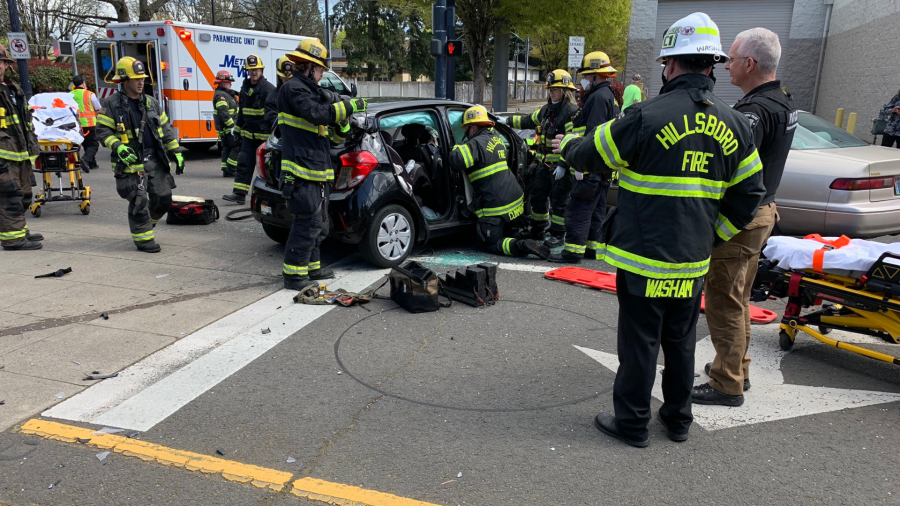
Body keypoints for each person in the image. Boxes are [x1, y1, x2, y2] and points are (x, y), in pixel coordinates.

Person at [556, 12, 765, 447]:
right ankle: (678, 420)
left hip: (644, 259)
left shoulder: (646, 116)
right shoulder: (734, 123)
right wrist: (714, 234)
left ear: (671, 65)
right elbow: (751, 193)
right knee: (681, 341)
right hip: (692, 260)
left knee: (639, 344)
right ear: (712, 65)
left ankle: (632, 424)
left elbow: (591, 153)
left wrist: (568, 145)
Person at [692, 27, 797, 407]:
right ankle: (737, 366)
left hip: (741, 219)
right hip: (763, 213)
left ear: (749, 64)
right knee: (738, 296)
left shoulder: (753, 113)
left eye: (731, 59)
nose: (726, 66)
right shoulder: (782, 101)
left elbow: (727, 169)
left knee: (724, 300)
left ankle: (727, 382)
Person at [277, 39, 367, 290]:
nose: (320, 75)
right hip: (302, 170)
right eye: (320, 70)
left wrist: (344, 125)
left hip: (316, 169)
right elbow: (318, 115)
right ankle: (294, 275)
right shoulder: (293, 89)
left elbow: (328, 135)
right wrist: (349, 105)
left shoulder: (310, 91)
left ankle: (312, 268)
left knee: (319, 224)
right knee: (307, 223)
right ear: (309, 66)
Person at [96, 57, 185, 253]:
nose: (140, 82)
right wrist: (118, 146)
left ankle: (146, 225)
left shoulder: (151, 103)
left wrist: (176, 152)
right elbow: (102, 132)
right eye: (136, 79)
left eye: (142, 78)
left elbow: (165, 129)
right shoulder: (111, 104)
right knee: (139, 201)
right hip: (129, 164)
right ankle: (143, 239)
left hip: (155, 160)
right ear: (123, 81)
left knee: (163, 199)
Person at [449, 105, 551, 260]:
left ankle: (520, 246)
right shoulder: (497, 139)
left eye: (466, 129)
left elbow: (456, 160)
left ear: (474, 127)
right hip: (514, 201)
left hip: (495, 206)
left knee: (490, 243)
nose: (465, 133)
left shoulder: (475, 144)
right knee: (509, 229)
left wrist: (456, 146)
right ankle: (518, 235)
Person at [549, 51, 619, 263]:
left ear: (596, 76)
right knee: (596, 210)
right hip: (603, 168)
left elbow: (593, 134)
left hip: (589, 165)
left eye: (587, 77)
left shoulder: (598, 98)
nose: (584, 81)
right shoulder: (609, 96)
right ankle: (591, 249)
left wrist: (580, 163)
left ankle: (572, 252)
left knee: (578, 209)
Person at [506, 70, 580, 248]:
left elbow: (573, 140)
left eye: (554, 89)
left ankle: (558, 235)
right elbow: (528, 121)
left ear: (564, 91)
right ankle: (538, 229)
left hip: (561, 166)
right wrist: (505, 120)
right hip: (543, 165)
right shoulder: (547, 111)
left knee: (559, 202)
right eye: (550, 89)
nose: (551, 92)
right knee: (537, 196)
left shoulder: (571, 112)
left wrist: (563, 164)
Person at [0, 44, 42, 250]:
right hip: (4, 158)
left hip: (21, 154)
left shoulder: (13, 89)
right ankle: (12, 239)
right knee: (10, 196)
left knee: (24, 196)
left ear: (7, 65)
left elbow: (25, 122)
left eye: (0, 62)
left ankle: (20, 231)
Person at [222, 54, 276, 205]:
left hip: (264, 137)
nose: (253, 72)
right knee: (244, 163)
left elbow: (272, 115)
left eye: (256, 69)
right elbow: (242, 112)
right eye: (251, 70)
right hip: (248, 136)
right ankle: (239, 194)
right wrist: (237, 131)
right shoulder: (245, 87)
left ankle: (269, 196)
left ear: (261, 70)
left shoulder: (268, 89)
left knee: (267, 168)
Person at [71, 75, 103, 173]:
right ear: (83, 83)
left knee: (86, 144)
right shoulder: (89, 94)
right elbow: (98, 108)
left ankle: (92, 164)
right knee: (93, 144)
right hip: (89, 124)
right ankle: (85, 160)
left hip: (76, 125)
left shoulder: (70, 95)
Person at [213, 70, 240, 178]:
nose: (231, 84)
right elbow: (223, 114)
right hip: (229, 128)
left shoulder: (227, 94)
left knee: (227, 148)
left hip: (226, 128)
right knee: (236, 147)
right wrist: (232, 126)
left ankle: (226, 169)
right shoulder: (221, 96)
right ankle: (231, 169)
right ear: (222, 83)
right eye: (229, 82)